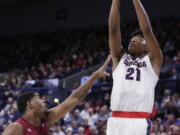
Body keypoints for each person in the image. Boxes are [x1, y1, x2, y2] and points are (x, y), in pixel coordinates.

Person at [3, 55, 111, 135]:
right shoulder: (16, 128)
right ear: (30, 104)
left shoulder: (46, 119)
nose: (44, 99)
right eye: (39, 98)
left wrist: (94, 76)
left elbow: (74, 98)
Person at [107, 0, 163, 134]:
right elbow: (113, 29)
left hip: (138, 121)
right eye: (132, 39)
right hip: (115, 119)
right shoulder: (119, 58)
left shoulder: (154, 61)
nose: (133, 40)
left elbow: (147, 30)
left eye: (138, 39)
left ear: (147, 47)